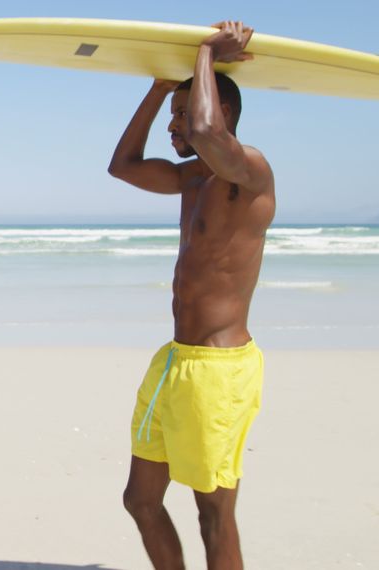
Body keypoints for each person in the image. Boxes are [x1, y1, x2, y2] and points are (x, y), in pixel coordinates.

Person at [106, 21, 276, 570]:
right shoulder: (191, 180)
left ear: (221, 111)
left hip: (219, 371)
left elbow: (206, 132)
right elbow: (122, 166)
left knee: (213, 512)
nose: (174, 127)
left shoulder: (250, 171)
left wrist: (205, 53)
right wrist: (159, 89)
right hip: (176, 360)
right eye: (175, 116)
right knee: (141, 499)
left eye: (182, 113)